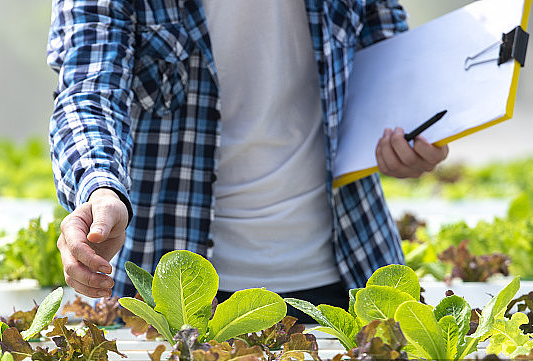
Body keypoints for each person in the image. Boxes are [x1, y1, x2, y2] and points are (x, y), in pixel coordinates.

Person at [47, 0, 448, 314]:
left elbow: (389, 54)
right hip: (173, 290)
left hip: (350, 274)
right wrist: (100, 186)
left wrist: (415, 132)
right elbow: (89, 93)